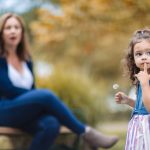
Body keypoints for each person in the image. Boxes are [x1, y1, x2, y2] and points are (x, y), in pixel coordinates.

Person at [0, 13, 118, 150]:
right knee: (45, 96)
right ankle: (86, 132)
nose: (13, 31)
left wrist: (38, 100)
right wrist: (40, 99)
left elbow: (32, 89)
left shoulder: (27, 59)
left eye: (16, 27)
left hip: (23, 112)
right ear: (1, 32)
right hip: (5, 110)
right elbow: (8, 90)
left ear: (22, 32)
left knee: (51, 124)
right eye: (8, 28)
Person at [115, 28, 150, 150]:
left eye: (149, 53)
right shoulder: (142, 78)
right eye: (139, 54)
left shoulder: (146, 80)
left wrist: (145, 84)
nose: (144, 57)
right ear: (133, 58)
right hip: (138, 126)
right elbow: (143, 106)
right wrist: (128, 101)